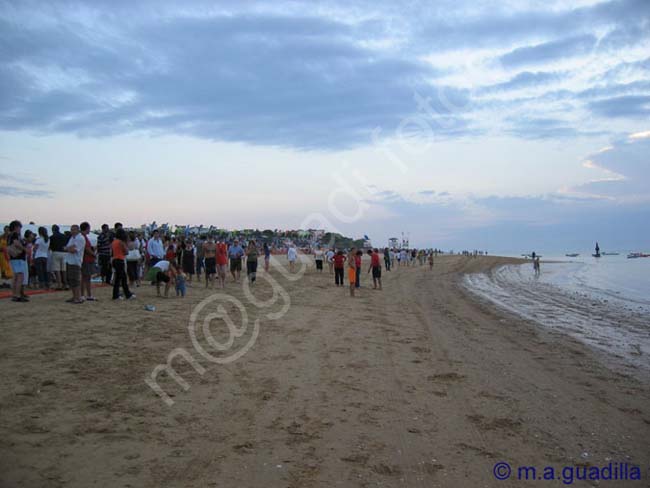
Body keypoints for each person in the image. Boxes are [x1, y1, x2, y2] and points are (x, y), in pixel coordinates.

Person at [111, 228, 135, 300]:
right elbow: (126, 251)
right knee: (121, 279)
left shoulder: (114, 242)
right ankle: (120, 295)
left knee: (120, 278)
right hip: (120, 260)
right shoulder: (121, 242)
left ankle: (125, 294)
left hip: (115, 259)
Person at [7, 220, 28, 302]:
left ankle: (14, 295)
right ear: (16, 227)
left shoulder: (9, 235)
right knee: (20, 276)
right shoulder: (15, 234)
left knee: (15, 277)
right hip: (18, 257)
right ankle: (17, 295)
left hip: (13, 257)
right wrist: (24, 249)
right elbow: (16, 243)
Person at [64, 224, 85, 304]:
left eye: (74, 229)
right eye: (71, 229)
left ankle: (78, 297)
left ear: (78, 230)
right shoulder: (72, 238)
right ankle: (74, 296)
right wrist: (68, 248)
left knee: (75, 280)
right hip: (70, 260)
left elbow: (74, 249)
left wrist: (68, 248)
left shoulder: (80, 238)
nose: (72, 231)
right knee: (71, 280)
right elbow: (68, 247)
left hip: (75, 261)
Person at [80, 222, 97, 301]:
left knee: (86, 278)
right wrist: (93, 254)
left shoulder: (84, 237)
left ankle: (86, 294)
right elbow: (86, 249)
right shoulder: (83, 237)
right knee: (85, 278)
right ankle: (85, 294)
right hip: (86, 260)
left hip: (87, 259)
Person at [49, 224, 68, 290]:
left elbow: (50, 246)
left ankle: (59, 284)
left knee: (57, 270)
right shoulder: (64, 236)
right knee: (64, 269)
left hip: (56, 252)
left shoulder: (51, 237)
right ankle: (65, 284)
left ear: (53, 230)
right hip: (64, 253)